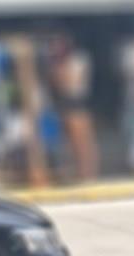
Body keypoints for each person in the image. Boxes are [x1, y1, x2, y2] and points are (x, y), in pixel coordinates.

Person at [52, 36, 99, 182]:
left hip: (77, 104)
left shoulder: (78, 61)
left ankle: (88, 173)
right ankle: (79, 172)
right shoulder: (60, 64)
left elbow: (70, 84)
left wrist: (61, 70)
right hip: (66, 105)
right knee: (71, 143)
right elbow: (58, 86)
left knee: (84, 142)